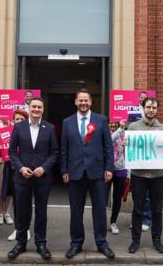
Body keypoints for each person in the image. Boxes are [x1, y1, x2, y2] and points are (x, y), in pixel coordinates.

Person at [61, 89, 115, 259]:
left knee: (99, 210)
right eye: (80, 100)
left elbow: (108, 147)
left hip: (98, 173)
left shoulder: (101, 120)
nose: (83, 103)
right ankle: (76, 243)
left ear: (91, 102)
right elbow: (64, 149)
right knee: (76, 211)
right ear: (75, 102)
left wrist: (109, 168)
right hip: (75, 173)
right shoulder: (67, 122)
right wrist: (64, 170)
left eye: (86, 100)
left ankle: (101, 243)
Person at [7, 97, 58, 260]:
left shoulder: (49, 128)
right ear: (29, 109)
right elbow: (12, 152)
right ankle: (20, 243)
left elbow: (54, 152)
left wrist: (44, 168)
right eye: (33, 107)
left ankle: (41, 244)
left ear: (43, 109)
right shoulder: (18, 127)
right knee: (22, 212)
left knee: (41, 212)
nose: (36, 109)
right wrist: (21, 167)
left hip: (43, 177)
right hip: (22, 176)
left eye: (39, 107)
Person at [126, 97, 163, 254]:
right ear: (143, 108)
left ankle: (157, 240)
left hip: (157, 175)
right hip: (139, 175)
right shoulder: (134, 127)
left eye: (154, 107)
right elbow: (129, 150)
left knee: (157, 210)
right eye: (149, 107)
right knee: (138, 209)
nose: (151, 110)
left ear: (157, 109)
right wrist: (126, 145)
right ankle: (135, 241)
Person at [0, 110, 31, 242]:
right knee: (16, 201)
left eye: (21, 119)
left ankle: (26, 229)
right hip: (11, 170)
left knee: (26, 201)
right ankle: (18, 229)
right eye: (16, 119)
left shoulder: (31, 132)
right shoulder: (8, 132)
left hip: (26, 170)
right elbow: (3, 153)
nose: (18, 121)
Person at [108, 120, 128, 235]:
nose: (113, 125)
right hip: (107, 169)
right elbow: (110, 140)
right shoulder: (104, 133)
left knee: (117, 198)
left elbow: (127, 153)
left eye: (115, 123)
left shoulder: (124, 134)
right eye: (110, 123)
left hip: (120, 169)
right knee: (102, 197)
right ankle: (100, 222)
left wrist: (128, 173)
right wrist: (120, 129)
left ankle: (113, 222)